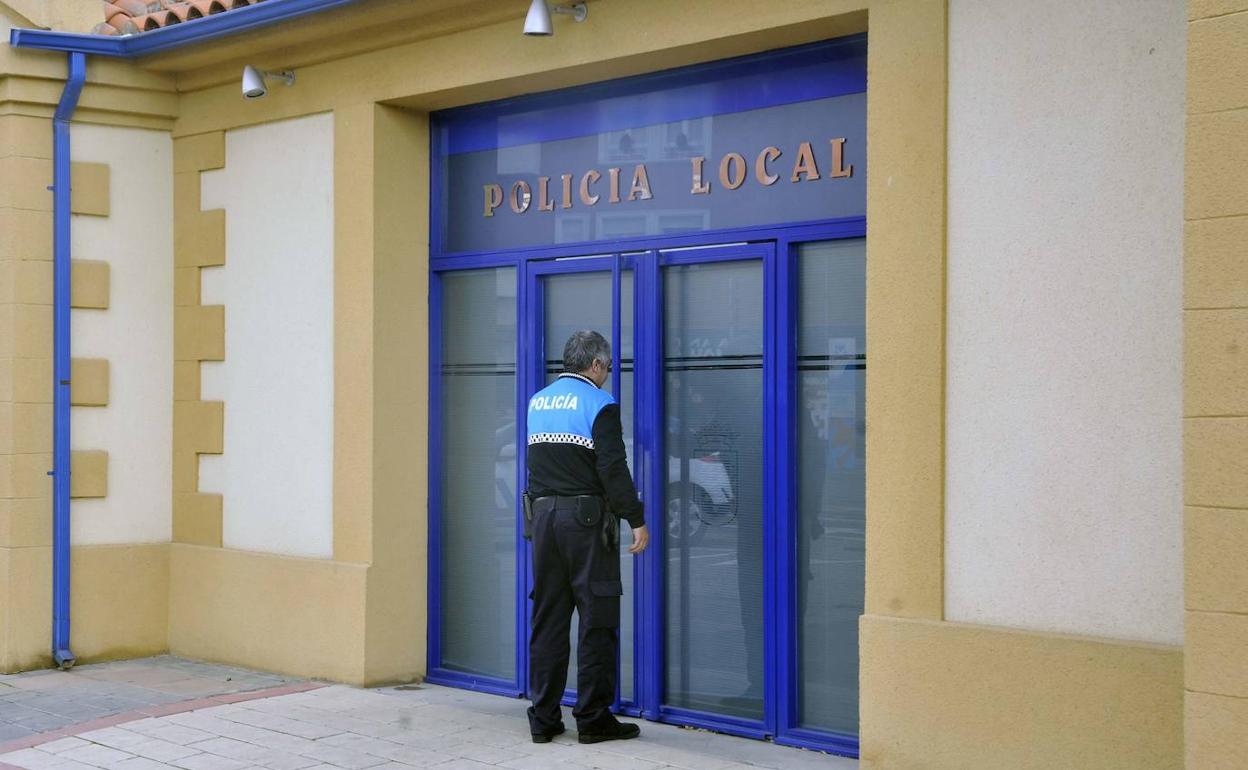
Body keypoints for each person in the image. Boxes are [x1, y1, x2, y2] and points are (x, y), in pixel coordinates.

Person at [525, 330, 648, 744]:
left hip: (543, 519)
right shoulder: (599, 403)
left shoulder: (538, 400)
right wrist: (636, 518)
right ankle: (593, 719)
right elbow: (612, 469)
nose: (608, 374)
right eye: (609, 367)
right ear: (595, 365)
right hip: (586, 521)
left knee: (548, 620)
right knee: (598, 619)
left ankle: (543, 719)